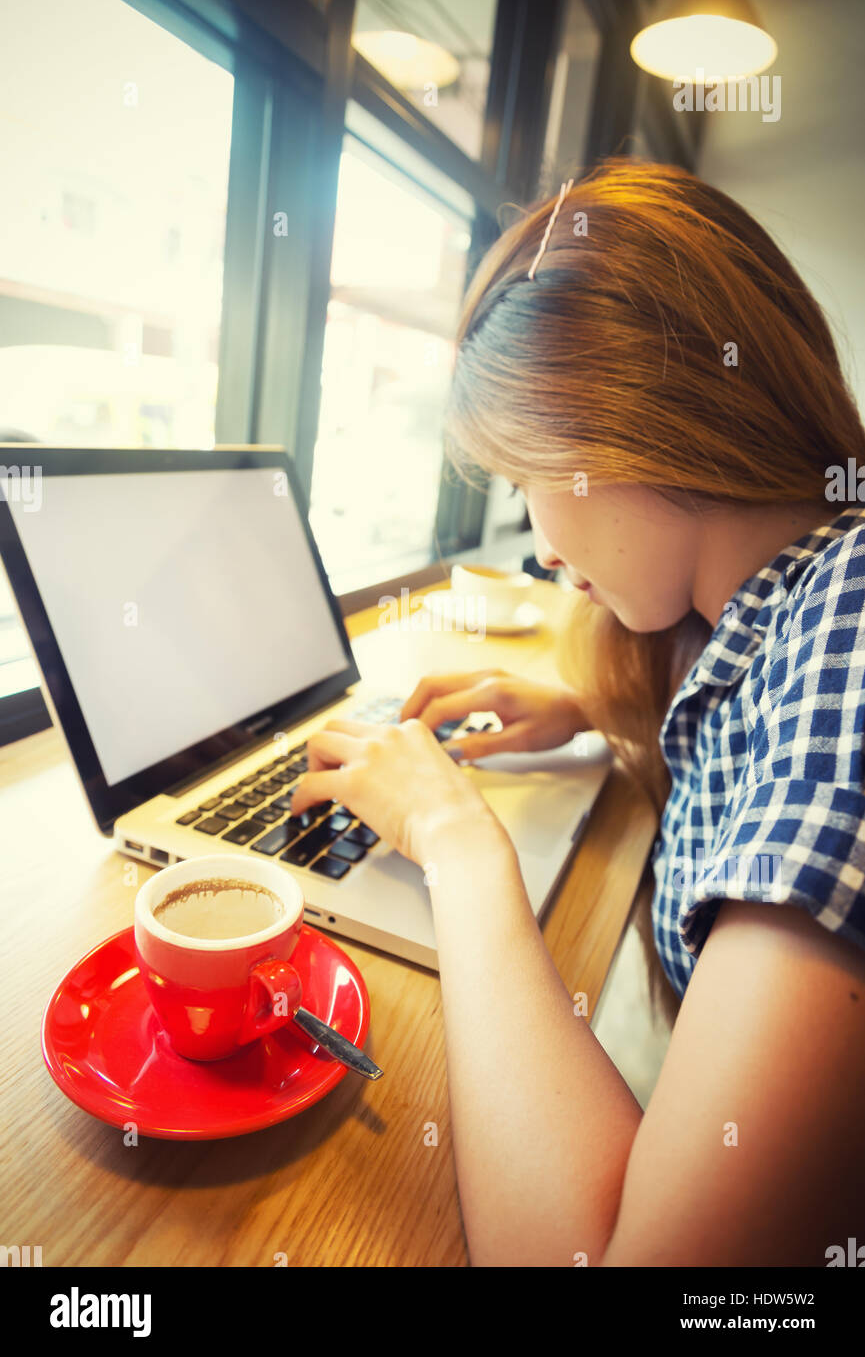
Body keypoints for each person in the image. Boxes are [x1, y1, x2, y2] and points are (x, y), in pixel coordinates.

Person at [290, 159, 865, 1267]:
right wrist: (597, 716)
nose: (542, 542)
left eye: (532, 475)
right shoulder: (779, 610)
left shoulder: (853, 617)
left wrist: (454, 841)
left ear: (639, 431)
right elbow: (773, 762)